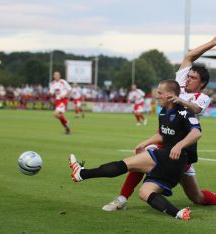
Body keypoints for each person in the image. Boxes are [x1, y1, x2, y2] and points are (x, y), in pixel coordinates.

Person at [102, 32, 216, 212]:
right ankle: (122, 199)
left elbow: (196, 109)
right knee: (141, 158)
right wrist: (213, 43)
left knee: (197, 197)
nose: (187, 79)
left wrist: (180, 101)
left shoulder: (202, 97)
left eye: (193, 78)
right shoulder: (179, 83)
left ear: (202, 84)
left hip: (182, 149)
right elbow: (189, 56)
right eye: (188, 76)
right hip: (166, 140)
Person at [69, 80, 202, 220]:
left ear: (170, 95)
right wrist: (145, 143)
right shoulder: (163, 112)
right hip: (170, 163)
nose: (156, 96)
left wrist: (179, 146)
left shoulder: (183, 112)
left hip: (172, 158)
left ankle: (82, 173)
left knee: (127, 164)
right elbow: (163, 134)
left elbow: (196, 133)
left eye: (160, 93)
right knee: (144, 193)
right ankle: (179, 213)